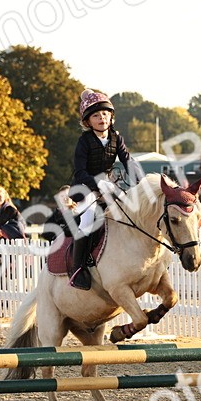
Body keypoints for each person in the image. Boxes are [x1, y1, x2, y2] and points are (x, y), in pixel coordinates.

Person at [70, 89, 140, 290]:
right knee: (87, 220)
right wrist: (98, 183)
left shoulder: (117, 138)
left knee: (131, 210)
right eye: (96, 115)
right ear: (87, 122)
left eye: (105, 114)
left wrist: (140, 183)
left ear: (111, 116)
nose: (101, 118)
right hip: (85, 187)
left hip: (109, 185)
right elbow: (80, 171)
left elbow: (128, 161)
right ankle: (78, 269)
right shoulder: (84, 141)